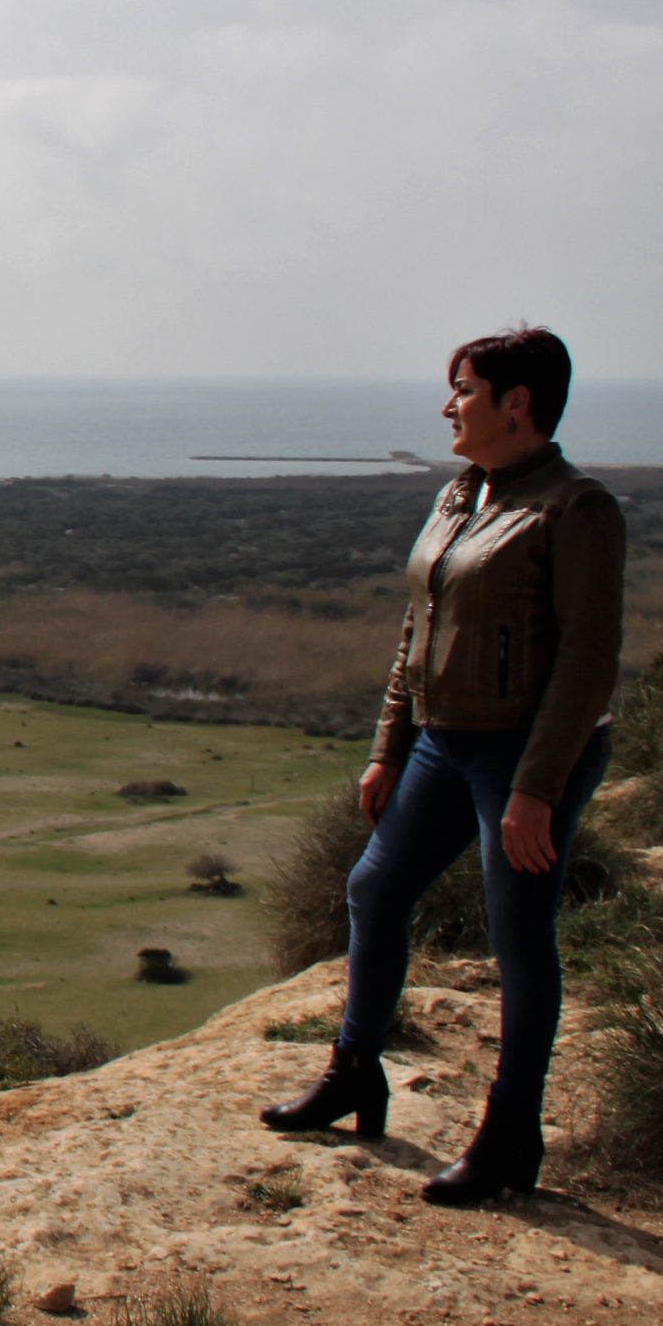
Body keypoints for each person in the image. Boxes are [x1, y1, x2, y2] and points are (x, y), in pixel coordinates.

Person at [261, 326, 625, 1206]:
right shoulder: (461, 494)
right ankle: (356, 1071)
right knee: (373, 889)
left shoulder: (574, 510)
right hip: (442, 737)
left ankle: (510, 1134)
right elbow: (413, 632)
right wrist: (389, 746)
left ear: (517, 404)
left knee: (519, 937)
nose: (447, 405)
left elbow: (587, 659)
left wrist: (537, 787)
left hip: (524, 750)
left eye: (462, 389)